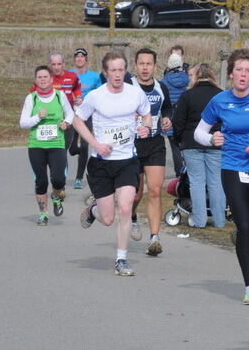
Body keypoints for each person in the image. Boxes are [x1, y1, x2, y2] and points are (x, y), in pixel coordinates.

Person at [194, 49, 249, 304]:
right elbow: (199, 133)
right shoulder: (219, 101)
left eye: (248, 71)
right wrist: (211, 139)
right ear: (231, 73)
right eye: (239, 69)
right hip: (232, 167)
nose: (243, 74)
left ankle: (241, 238)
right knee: (244, 225)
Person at [73, 51, 152, 277]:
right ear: (106, 72)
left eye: (121, 70)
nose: (118, 75)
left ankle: (121, 260)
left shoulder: (135, 94)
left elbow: (146, 115)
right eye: (113, 70)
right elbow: (77, 120)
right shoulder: (96, 96)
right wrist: (96, 144)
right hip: (101, 164)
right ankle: (93, 209)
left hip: (127, 160)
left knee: (126, 208)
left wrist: (145, 127)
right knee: (108, 219)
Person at [126, 48, 173, 256]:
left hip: (155, 143)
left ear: (155, 66)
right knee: (136, 193)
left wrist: (166, 118)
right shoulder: (128, 86)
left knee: (154, 190)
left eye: (149, 64)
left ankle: (155, 238)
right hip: (133, 145)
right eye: (141, 63)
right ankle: (133, 216)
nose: (145, 67)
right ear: (135, 66)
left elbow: (168, 108)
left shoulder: (162, 87)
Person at [19, 65, 74, 226]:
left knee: (58, 179)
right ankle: (43, 213)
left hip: (56, 143)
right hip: (36, 145)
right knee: (41, 181)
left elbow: (70, 113)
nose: (42, 80)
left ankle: (56, 196)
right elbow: (23, 123)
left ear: (51, 79)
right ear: (35, 81)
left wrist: (66, 122)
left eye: (45, 77)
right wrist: (37, 117)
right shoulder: (31, 98)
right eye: (39, 77)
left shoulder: (60, 96)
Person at [173, 63, 226, 229]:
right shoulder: (221, 95)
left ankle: (199, 220)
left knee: (196, 182)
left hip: (191, 143)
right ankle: (219, 220)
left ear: (195, 77)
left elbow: (178, 122)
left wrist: (179, 141)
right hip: (215, 143)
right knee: (216, 182)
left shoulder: (187, 95)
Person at [69, 47, 103, 189]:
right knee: (71, 148)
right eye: (77, 57)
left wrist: (86, 102)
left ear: (86, 60)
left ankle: (78, 178)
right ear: (74, 59)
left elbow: (100, 94)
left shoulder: (94, 77)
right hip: (71, 114)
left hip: (87, 115)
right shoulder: (69, 74)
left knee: (84, 145)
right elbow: (62, 91)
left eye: (82, 57)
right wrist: (73, 99)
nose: (79, 59)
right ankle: (74, 149)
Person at [161, 49, 190, 178]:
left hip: (171, 116)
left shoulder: (164, 81)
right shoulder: (186, 79)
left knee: (174, 148)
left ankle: (179, 173)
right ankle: (186, 170)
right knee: (184, 147)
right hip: (183, 116)